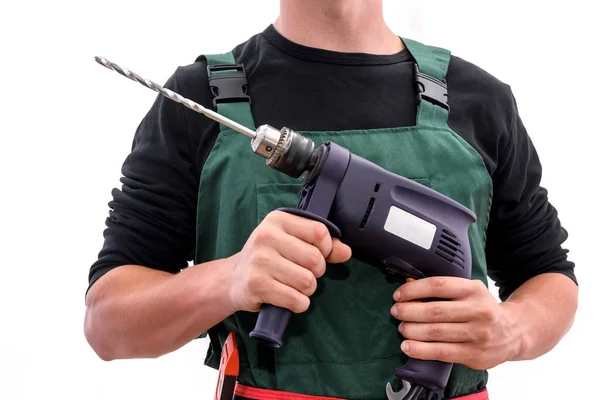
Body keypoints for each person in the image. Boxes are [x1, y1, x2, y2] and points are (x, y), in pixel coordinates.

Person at [84, 1, 579, 399]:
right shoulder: (201, 101)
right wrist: (228, 279)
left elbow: (548, 274)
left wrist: (511, 330)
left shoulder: (480, 99)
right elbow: (108, 324)